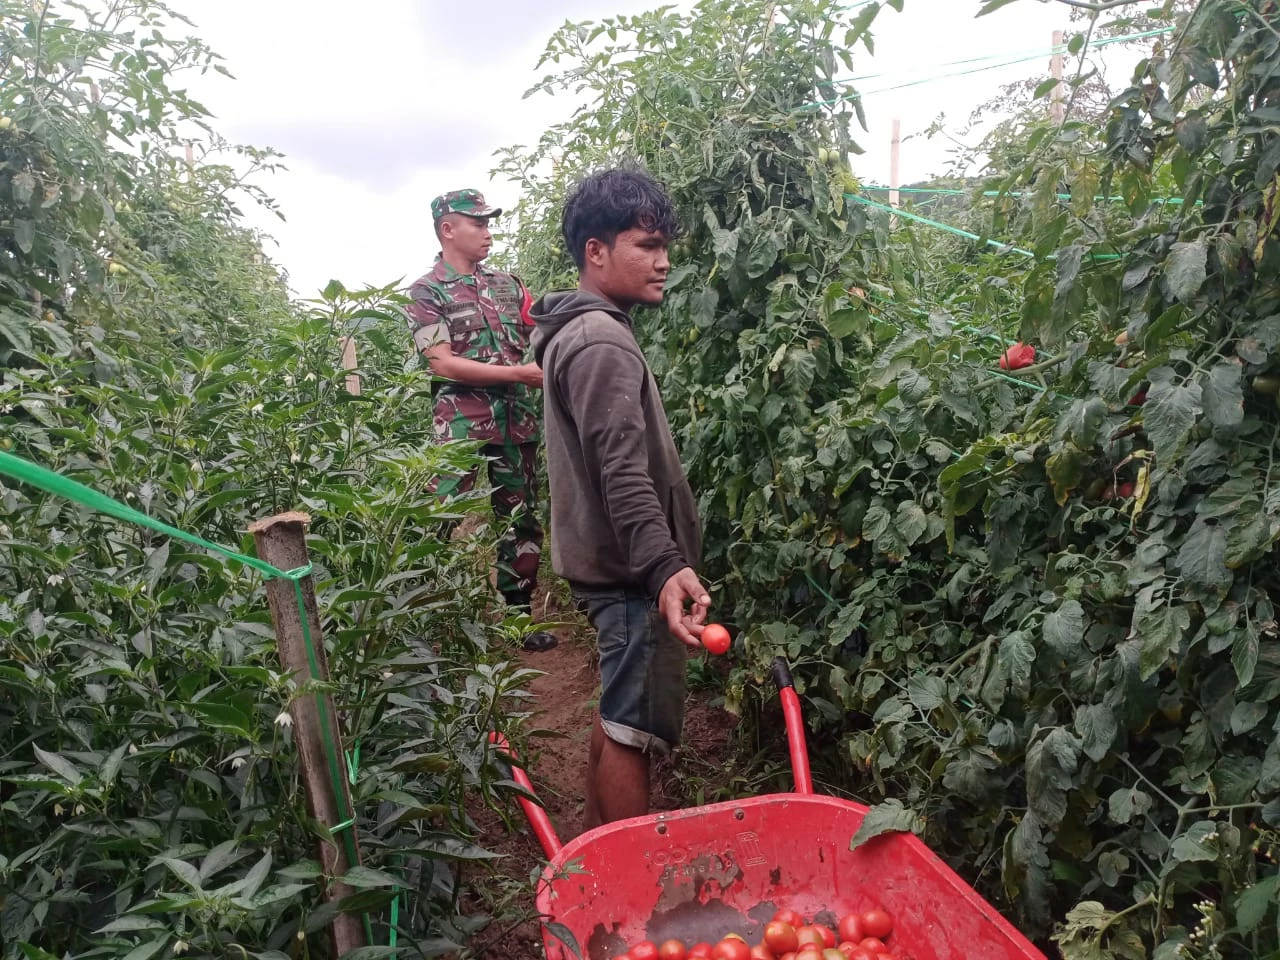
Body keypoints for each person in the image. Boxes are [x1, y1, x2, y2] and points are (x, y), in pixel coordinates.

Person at [529, 168, 711, 828]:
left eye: (666, 246)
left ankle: (596, 854)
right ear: (595, 252)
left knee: (617, 713)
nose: (663, 263)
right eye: (646, 245)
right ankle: (629, 881)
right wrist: (664, 568)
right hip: (629, 572)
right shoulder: (601, 340)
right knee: (634, 729)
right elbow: (622, 474)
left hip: (608, 565)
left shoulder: (577, 332)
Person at [406, 188, 557, 653]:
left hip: (516, 422)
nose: (488, 233)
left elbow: (542, 329)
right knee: (438, 517)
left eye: (490, 223)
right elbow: (443, 364)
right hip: (461, 426)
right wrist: (516, 373)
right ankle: (420, 619)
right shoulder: (426, 292)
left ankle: (519, 621)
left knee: (520, 521)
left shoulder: (509, 285)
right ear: (448, 229)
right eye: (479, 224)